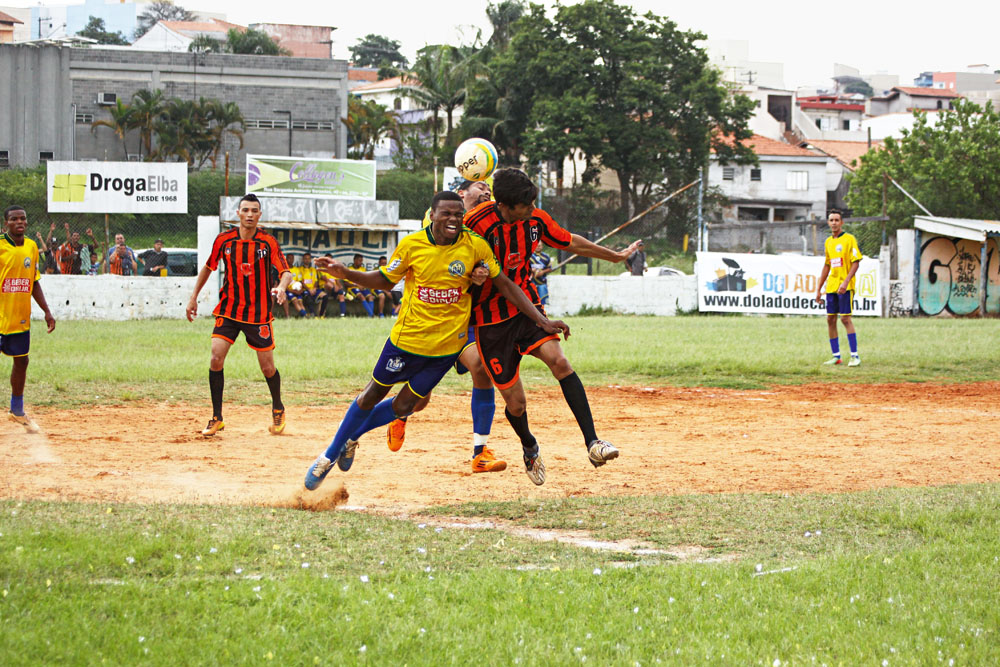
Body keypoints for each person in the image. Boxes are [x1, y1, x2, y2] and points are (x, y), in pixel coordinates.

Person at [303, 191, 569, 491]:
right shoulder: (412, 245)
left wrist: (541, 320)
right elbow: (385, 280)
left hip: (445, 350)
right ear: (432, 215)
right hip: (406, 342)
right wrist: (346, 273)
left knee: (405, 405)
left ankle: (353, 437)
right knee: (370, 396)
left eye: (458, 214)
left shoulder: (475, 246)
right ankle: (328, 456)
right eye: (446, 213)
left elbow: (505, 284)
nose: (453, 219)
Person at [464, 168, 642, 484]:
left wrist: (615, 257)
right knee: (516, 404)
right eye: (526, 206)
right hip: (490, 321)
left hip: (527, 309)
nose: (533, 211)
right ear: (504, 205)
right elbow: (457, 267)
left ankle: (593, 443)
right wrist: (470, 276)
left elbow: (570, 241)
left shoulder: (535, 220)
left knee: (560, 361)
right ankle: (529, 445)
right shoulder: (475, 225)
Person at [384, 178, 507, 473]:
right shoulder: (440, 218)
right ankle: (398, 416)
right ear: (462, 194)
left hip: (465, 320)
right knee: (419, 399)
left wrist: (481, 273)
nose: (486, 191)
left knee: (481, 366)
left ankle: (480, 452)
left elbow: (491, 266)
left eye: (488, 188)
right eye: (480, 187)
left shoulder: (488, 225)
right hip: (430, 326)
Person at [186, 194, 294, 436]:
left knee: (267, 368)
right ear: (238, 213)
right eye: (245, 210)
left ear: (259, 215)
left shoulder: (267, 243)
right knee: (216, 357)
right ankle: (216, 417)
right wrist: (193, 297)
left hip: (258, 314)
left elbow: (286, 271)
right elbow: (208, 267)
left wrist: (282, 287)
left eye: (254, 210)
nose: (249, 214)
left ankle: (278, 408)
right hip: (229, 309)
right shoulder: (224, 240)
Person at [1, 205, 56, 433]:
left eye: (23, 218)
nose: (19, 222)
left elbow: (33, 281)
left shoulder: (32, 247)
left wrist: (46, 310)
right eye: (14, 219)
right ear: (6, 224)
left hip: (20, 318)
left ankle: (17, 410)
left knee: (22, 361)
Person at [815, 209, 862, 367]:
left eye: (837, 220)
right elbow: (827, 265)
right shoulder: (828, 242)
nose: (834, 223)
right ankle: (836, 356)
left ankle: (855, 356)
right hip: (832, 286)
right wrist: (819, 289)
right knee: (830, 319)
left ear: (841, 222)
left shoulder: (849, 239)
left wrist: (846, 282)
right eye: (831, 220)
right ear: (828, 223)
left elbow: (856, 262)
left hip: (845, 286)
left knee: (845, 318)